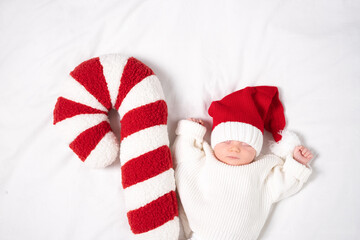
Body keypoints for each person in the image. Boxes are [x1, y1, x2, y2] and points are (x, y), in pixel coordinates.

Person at [172, 86, 314, 240]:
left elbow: (282, 184)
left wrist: (297, 164)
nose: (235, 149)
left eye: (246, 144)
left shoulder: (260, 171)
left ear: (257, 151)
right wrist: (191, 132)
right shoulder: (207, 161)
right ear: (214, 143)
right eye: (226, 142)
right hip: (198, 232)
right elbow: (183, 158)